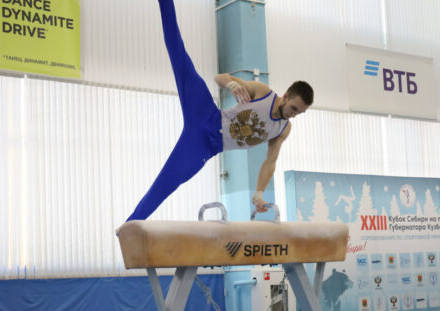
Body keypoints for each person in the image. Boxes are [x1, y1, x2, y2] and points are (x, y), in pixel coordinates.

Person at [126, 0, 313, 222]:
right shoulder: (263, 92)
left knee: (167, 183)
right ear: (286, 96)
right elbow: (220, 78)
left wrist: (259, 193)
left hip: (206, 146)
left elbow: (270, 162)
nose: (294, 114)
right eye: (294, 108)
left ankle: (129, 225)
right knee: (179, 55)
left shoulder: (283, 129)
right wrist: (232, 84)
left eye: (299, 113)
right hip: (206, 114)